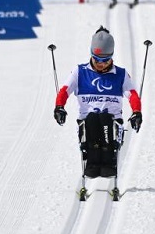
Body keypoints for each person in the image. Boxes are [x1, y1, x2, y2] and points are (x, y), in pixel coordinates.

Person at [53, 27, 142, 182]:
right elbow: (64, 91)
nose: (101, 64)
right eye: (97, 60)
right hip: (87, 122)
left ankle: (108, 163)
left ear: (112, 57)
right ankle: (93, 164)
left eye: (105, 61)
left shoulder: (120, 74)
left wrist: (137, 112)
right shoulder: (80, 72)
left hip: (113, 122)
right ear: (91, 55)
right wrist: (59, 107)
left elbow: (133, 95)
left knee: (105, 118)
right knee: (93, 119)